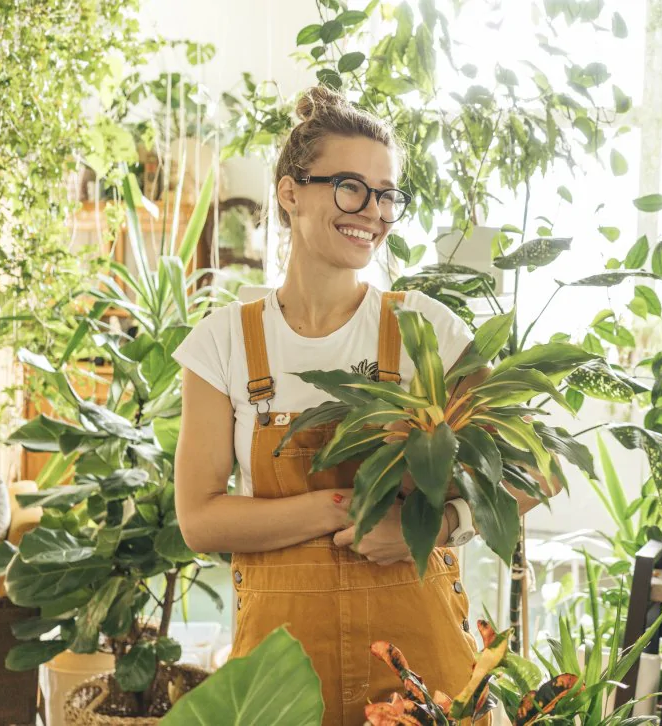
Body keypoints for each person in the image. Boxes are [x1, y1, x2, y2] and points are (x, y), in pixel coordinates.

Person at [173, 86, 558, 724]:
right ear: (290, 191)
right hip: (281, 677)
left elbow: (535, 472)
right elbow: (201, 520)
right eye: (351, 187)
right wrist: (337, 507)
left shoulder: (425, 331)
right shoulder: (224, 341)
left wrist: (427, 530)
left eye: (386, 194)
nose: (373, 212)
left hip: (420, 669)